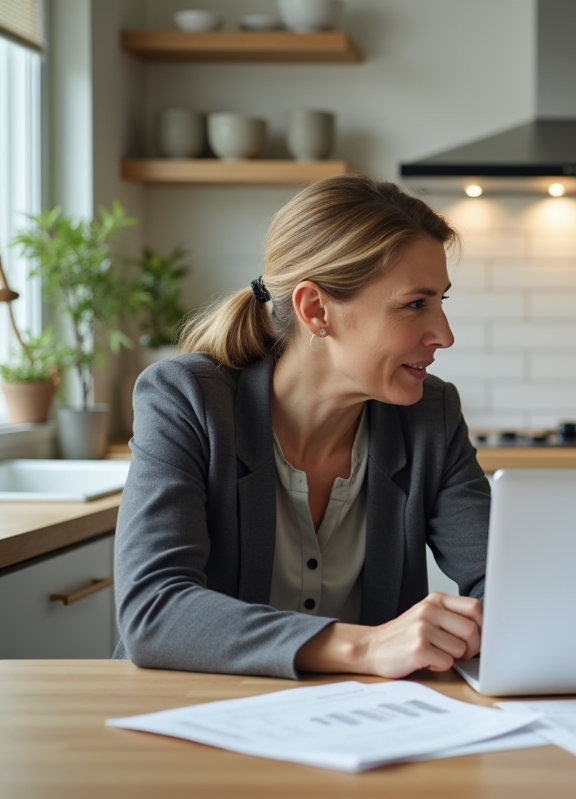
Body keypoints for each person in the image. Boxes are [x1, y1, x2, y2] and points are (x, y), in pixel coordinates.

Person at [114, 174, 488, 680]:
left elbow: (501, 580)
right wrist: (367, 647)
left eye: (441, 301)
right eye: (415, 304)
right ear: (316, 310)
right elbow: (154, 611)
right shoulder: (187, 399)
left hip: (366, 731)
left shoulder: (431, 416)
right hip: (196, 720)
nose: (443, 335)